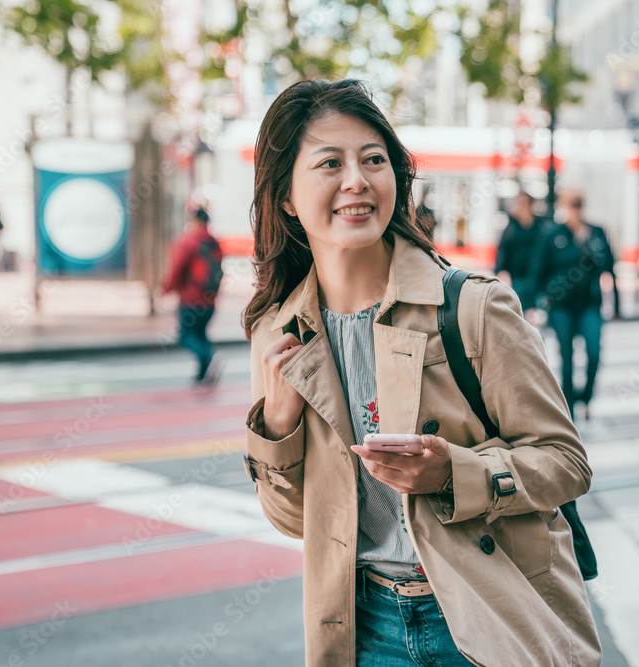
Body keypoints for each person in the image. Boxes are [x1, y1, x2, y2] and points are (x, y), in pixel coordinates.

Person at [241, 79, 601, 667]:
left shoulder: (474, 308)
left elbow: (565, 463)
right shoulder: (279, 335)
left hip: (488, 612)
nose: (356, 179)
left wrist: (453, 472)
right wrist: (277, 424)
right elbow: (295, 520)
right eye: (330, 162)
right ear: (284, 197)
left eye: (374, 160)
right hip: (365, 628)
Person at [528, 189, 619, 421]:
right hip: (561, 305)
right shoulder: (553, 234)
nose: (576, 210)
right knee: (566, 355)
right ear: (564, 206)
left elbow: (609, 266)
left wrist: (616, 304)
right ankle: (569, 405)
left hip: (590, 303)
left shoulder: (595, 232)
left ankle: (586, 397)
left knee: (594, 352)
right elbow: (539, 270)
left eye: (579, 204)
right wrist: (534, 305)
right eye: (572, 205)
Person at [161, 207, 224, 386]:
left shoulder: (187, 242)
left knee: (185, 336)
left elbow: (176, 268)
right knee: (200, 334)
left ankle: (210, 357)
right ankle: (202, 374)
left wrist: (166, 289)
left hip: (191, 300)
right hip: (210, 301)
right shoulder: (215, 242)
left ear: (195, 221)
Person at [494, 190, 547, 312]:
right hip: (516, 278)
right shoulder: (512, 227)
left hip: (536, 278)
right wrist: (500, 271)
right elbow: (503, 251)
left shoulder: (541, 227)